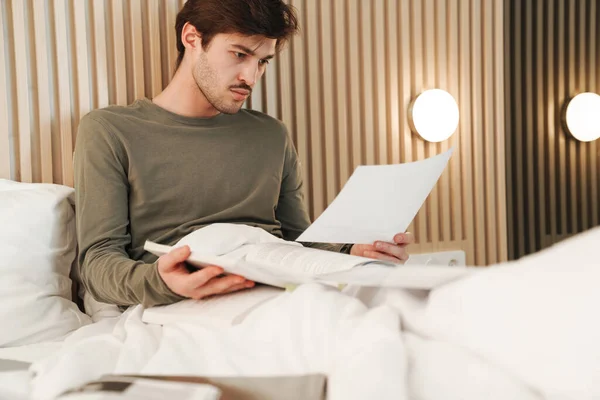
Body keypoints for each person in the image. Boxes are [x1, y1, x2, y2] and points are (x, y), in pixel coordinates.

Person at [74, 0, 414, 308]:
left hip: (276, 290)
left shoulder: (271, 135)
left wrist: (351, 251)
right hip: (186, 301)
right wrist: (162, 282)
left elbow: (297, 239)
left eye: (262, 61)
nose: (251, 77)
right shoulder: (110, 130)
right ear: (192, 39)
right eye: (239, 54)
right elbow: (99, 262)